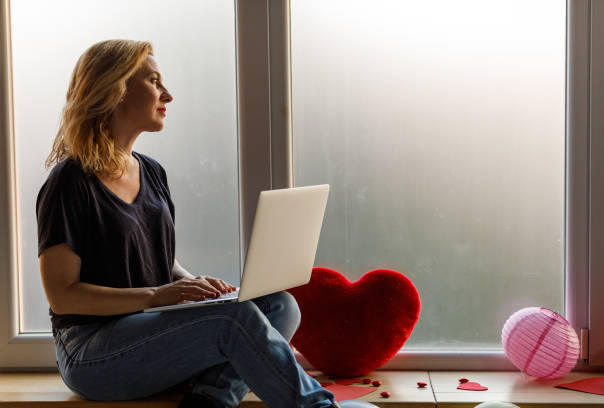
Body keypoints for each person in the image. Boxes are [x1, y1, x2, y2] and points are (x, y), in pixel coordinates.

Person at [36, 39, 378, 408]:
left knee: (280, 306)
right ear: (116, 91)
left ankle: (209, 401)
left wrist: (195, 284)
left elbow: (158, 262)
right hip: (90, 351)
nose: (167, 94)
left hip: (147, 330)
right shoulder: (69, 182)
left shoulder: (151, 172)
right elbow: (63, 294)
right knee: (230, 320)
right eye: (154, 81)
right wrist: (157, 296)